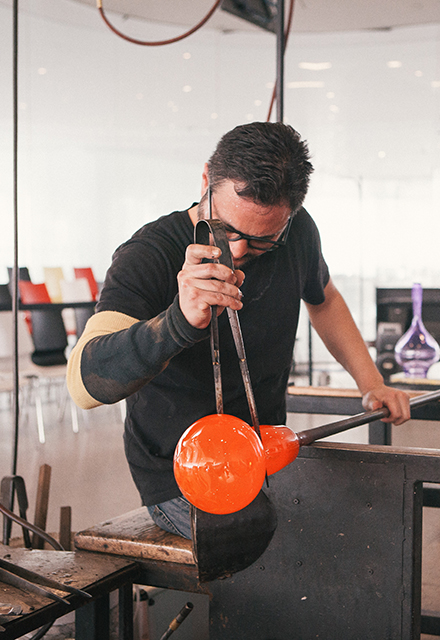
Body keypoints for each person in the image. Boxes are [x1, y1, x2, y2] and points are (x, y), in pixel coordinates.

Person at [66, 122, 410, 539]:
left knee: (362, 529)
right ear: (207, 179)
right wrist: (177, 321)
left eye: (264, 240)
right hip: (182, 471)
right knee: (286, 552)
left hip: (261, 455)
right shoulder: (150, 254)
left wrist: (371, 382)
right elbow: (84, 386)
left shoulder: (299, 232)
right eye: (225, 229)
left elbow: (325, 299)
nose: (240, 250)